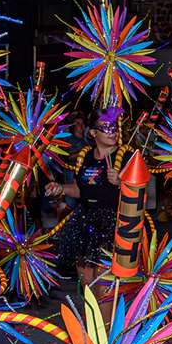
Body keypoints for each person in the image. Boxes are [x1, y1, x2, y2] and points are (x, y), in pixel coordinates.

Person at [45, 107, 136, 288]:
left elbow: (139, 195)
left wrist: (120, 182)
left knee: (104, 283)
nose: (113, 132)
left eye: (115, 127)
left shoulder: (127, 156)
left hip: (114, 223)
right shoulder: (84, 155)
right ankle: (91, 317)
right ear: (93, 132)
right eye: (106, 128)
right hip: (86, 222)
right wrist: (60, 188)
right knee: (86, 282)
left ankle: (108, 318)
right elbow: (81, 189)